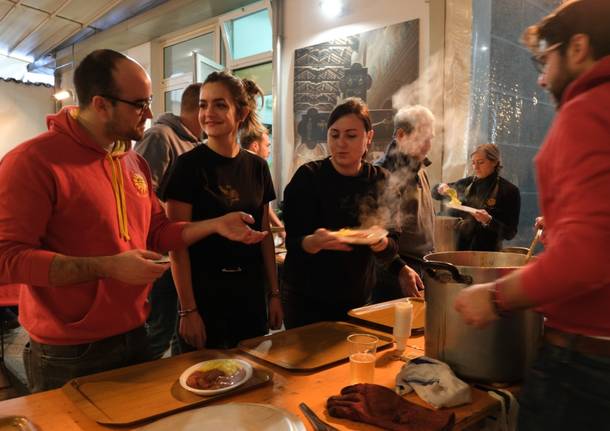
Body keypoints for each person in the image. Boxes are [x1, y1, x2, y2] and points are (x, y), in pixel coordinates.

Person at [0, 49, 266, 392]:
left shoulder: (132, 162)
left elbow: (158, 232)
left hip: (135, 334)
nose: (151, 113)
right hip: (68, 352)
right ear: (101, 104)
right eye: (140, 104)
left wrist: (214, 225)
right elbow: (6, 260)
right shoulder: (33, 162)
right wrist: (107, 266)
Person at [454, 1, 610, 429]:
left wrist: (494, 296)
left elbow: (588, 256)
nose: (541, 77)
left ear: (578, 48)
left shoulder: (588, 108)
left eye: (545, 59)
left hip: (586, 365)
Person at [164, 71, 283, 350]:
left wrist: (274, 293)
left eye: (220, 105)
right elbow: (175, 244)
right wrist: (188, 310)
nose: (208, 113)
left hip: (250, 292)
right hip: (204, 293)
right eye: (203, 105)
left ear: (240, 113)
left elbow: (264, 234)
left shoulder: (257, 167)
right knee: (205, 379)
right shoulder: (187, 166)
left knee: (253, 373)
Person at [281, 98, 422, 329]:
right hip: (305, 298)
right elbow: (294, 243)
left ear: (369, 137)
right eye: (334, 135)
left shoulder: (381, 181)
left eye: (351, 135)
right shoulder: (308, 178)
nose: (341, 143)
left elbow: (392, 244)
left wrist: (381, 243)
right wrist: (313, 242)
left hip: (357, 297)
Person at [134, 83, 203, 359]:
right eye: (210, 105)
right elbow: (139, 191)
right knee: (160, 329)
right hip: (163, 255)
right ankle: (141, 386)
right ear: (200, 108)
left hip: (184, 250)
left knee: (180, 330)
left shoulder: (196, 143)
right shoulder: (160, 136)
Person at [373, 105, 436, 302]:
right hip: (396, 271)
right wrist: (399, 268)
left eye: (430, 138)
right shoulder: (383, 173)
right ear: (401, 135)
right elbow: (377, 235)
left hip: (420, 265)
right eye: (423, 138)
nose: (428, 145)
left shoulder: (419, 167)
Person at [432, 144, 521, 251]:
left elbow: (510, 233)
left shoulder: (509, 191)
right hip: (457, 249)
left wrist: (489, 221)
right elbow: (435, 193)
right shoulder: (465, 184)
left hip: (487, 253)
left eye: (480, 162)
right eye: (473, 163)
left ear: (495, 162)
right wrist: (441, 187)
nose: (476, 167)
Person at [240, 126, 285, 238]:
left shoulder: (244, 165)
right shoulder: (255, 166)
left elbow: (264, 205)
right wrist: (281, 230)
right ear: (255, 146)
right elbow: (264, 207)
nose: (269, 151)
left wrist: (280, 228)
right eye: (267, 146)